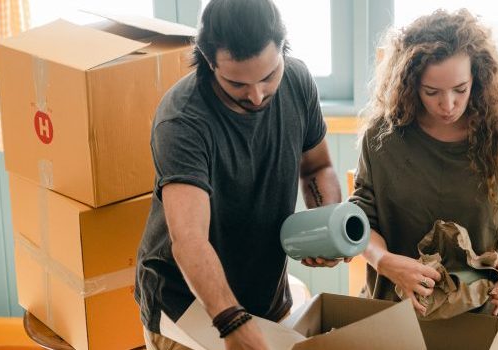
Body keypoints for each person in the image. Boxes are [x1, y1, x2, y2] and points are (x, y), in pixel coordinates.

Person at [134, 0, 346, 349]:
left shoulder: (297, 80)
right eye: (237, 84)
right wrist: (231, 320)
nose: (258, 95)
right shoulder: (183, 120)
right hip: (187, 307)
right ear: (207, 60)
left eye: (268, 76)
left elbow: (317, 167)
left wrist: (327, 228)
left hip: (264, 294)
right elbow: (190, 240)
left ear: (282, 48)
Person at [349, 9, 498, 324]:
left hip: (480, 316)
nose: (448, 104)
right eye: (432, 92)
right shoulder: (382, 138)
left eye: (460, 89)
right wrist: (384, 262)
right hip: (397, 316)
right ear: (411, 84)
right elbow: (360, 220)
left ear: (478, 79)